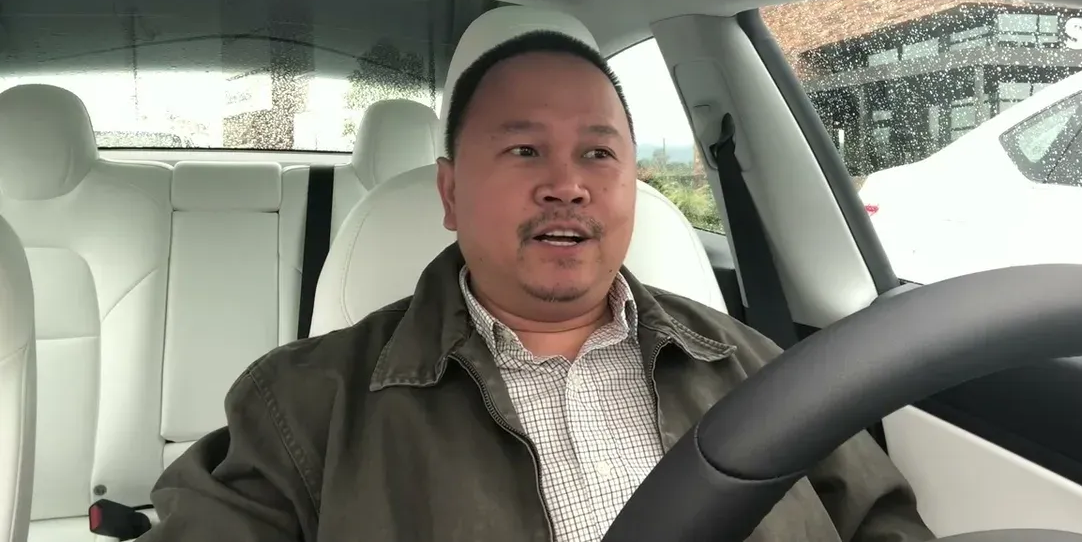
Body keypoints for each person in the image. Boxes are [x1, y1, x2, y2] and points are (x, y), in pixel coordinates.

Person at [142, 30, 934, 542]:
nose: (568, 184)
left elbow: (882, 522)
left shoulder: (752, 363)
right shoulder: (304, 405)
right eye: (524, 151)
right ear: (450, 195)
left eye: (598, 154)